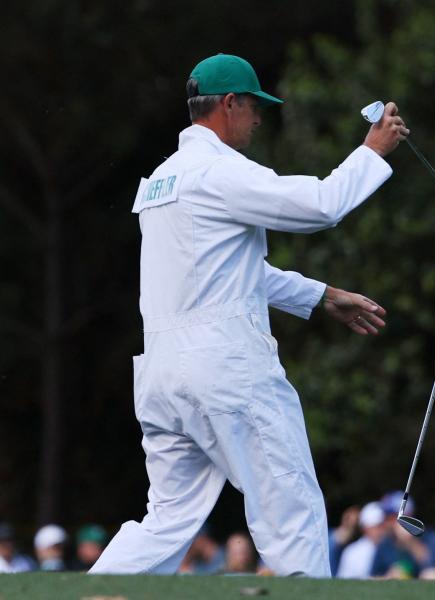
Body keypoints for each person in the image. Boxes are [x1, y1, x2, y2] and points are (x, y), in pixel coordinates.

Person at [89, 53, 408, 577]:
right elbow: (321, 205)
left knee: (166, 519)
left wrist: (321, 294)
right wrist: (371, 152)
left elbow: (227, 272)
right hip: (226, 368)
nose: (260, 118)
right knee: (291, 504)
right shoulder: (219, 171)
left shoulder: (160, 181)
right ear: (230, 104)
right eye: (255, 106)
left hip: (161, 375)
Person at [336, 502, 390, 579]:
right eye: (377, 526)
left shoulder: (392, 548)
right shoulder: (352, 552)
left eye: (383, 525)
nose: (381, 529)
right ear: (365, 528)